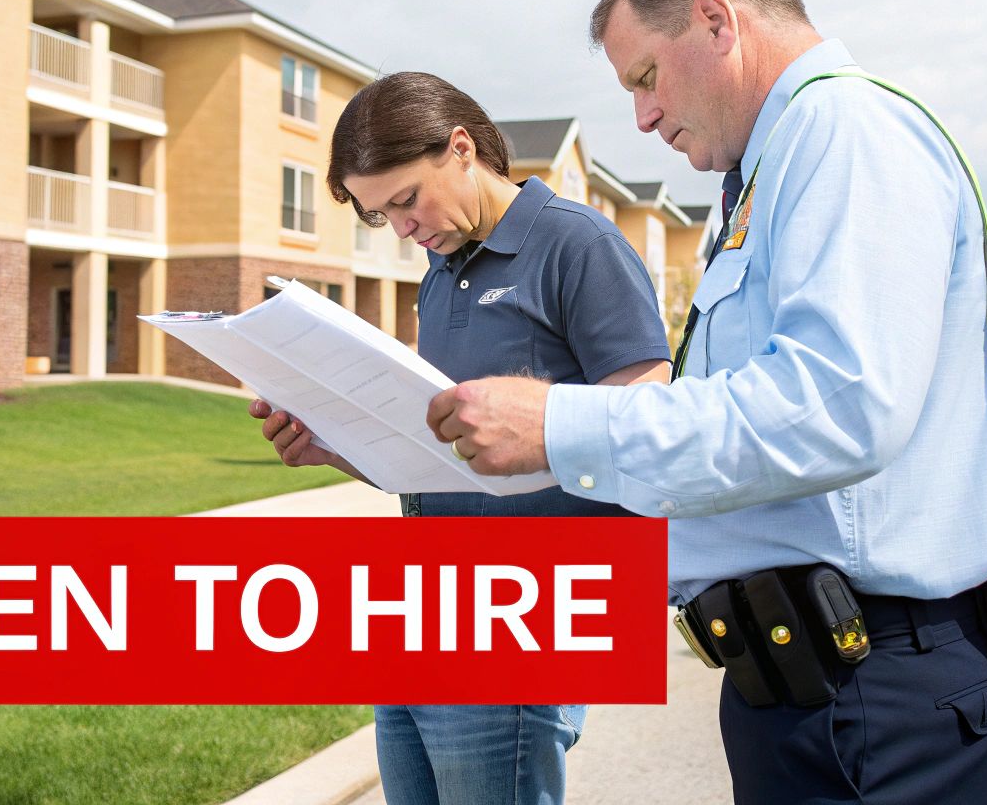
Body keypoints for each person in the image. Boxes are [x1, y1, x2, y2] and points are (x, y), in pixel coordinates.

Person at [426, 0, 987, 803]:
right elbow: (736, 431)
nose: (644, 116)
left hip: (878, 688)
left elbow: (838, 406)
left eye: (645, 78)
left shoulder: (843, 131)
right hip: (810, 683)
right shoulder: (770, 167)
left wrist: (558, 421)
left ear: (716, 22)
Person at [248, 70, 671, 805]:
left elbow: (648, 420)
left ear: (463, 148)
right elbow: (440, 459)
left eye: (406, 200)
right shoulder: (442, 274)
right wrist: (333, 444)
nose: (405, 228)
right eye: (382, 217)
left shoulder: (579, 245)